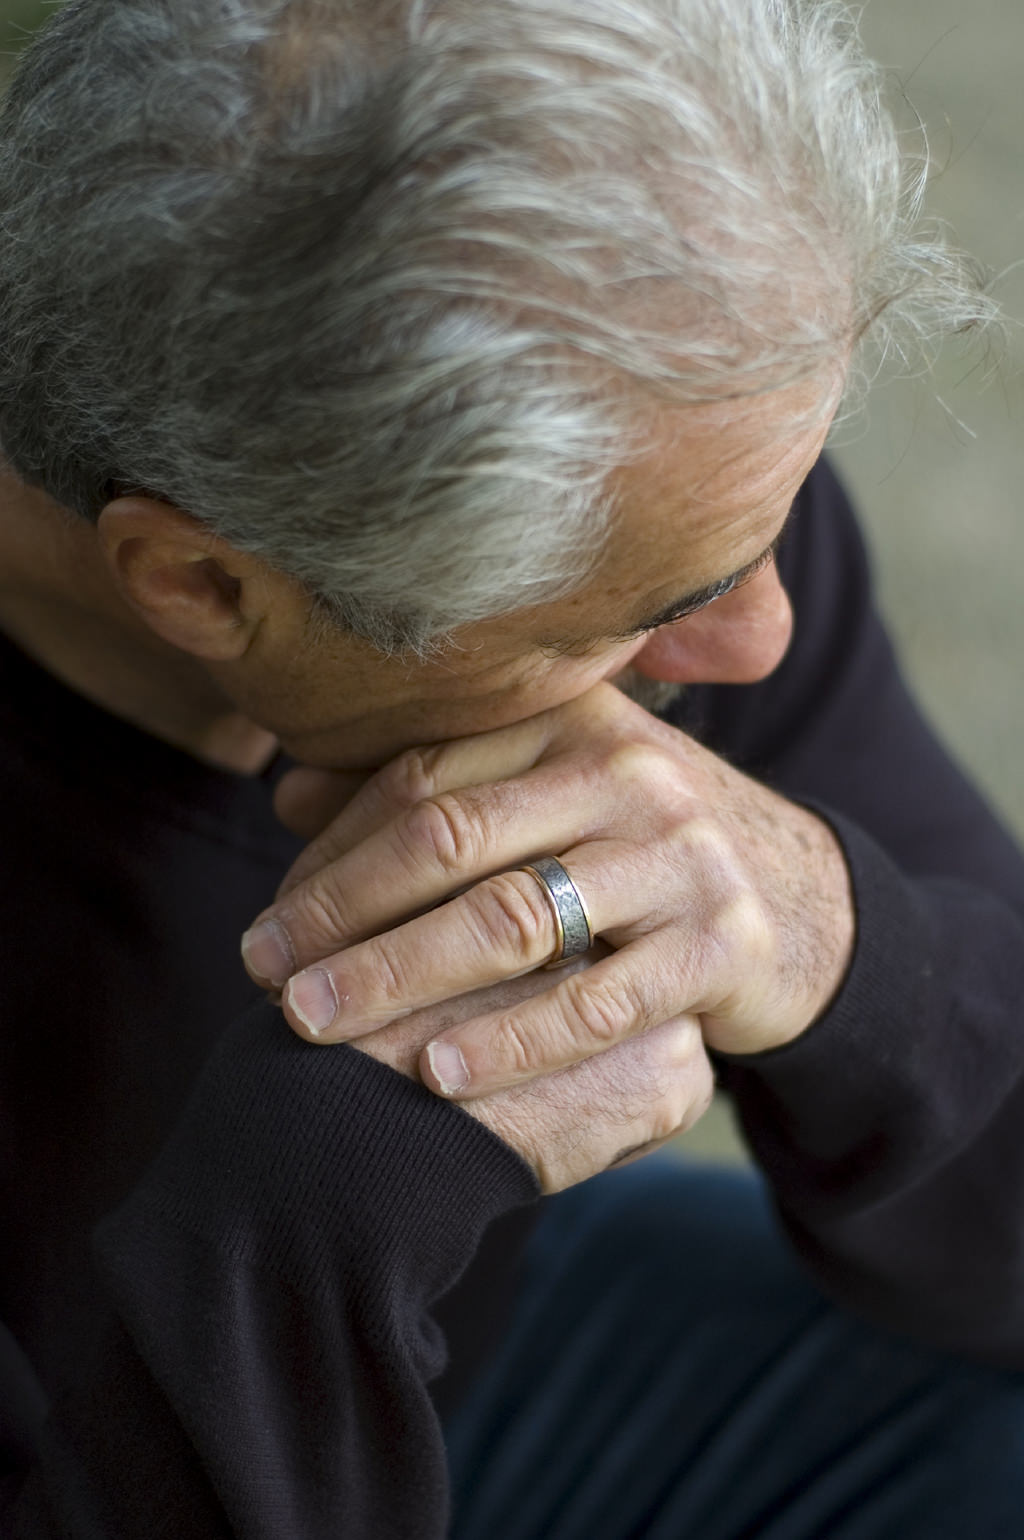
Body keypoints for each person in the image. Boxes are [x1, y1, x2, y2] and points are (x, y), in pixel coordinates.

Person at [1, 0, 1023, 1534]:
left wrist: (839, 949)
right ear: (205, 586)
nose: (765, 637)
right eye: (662, 608)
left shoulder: (664, 498)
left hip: (493, 1374)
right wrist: (287, 1256)